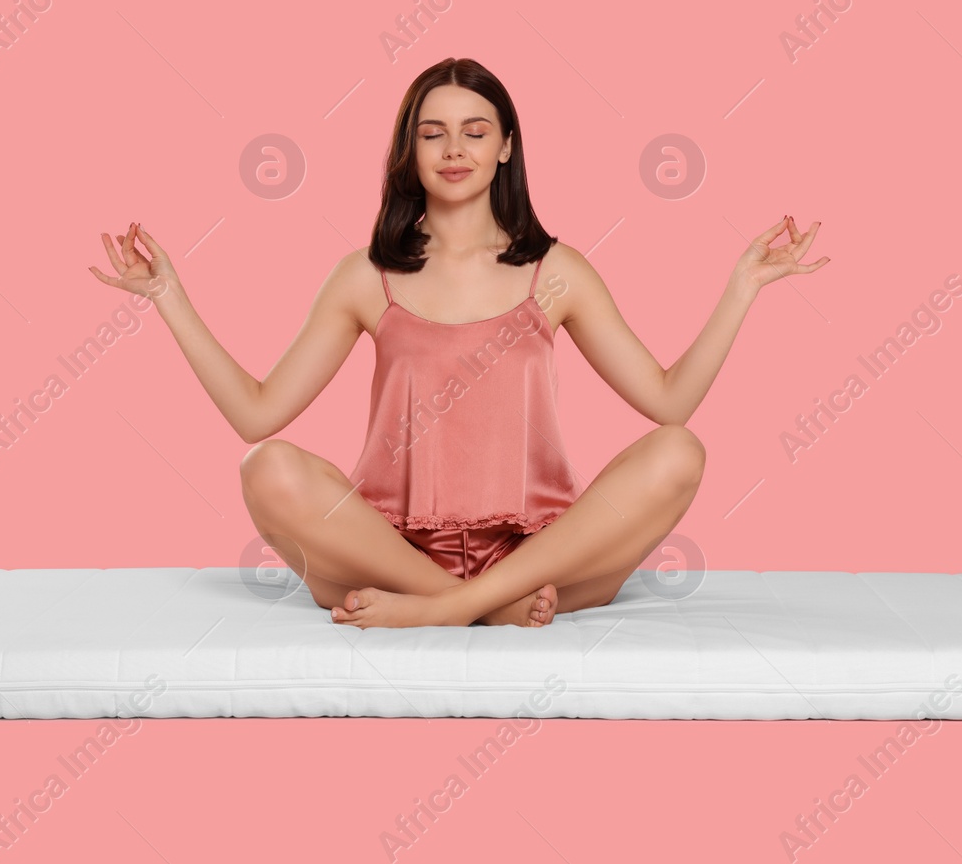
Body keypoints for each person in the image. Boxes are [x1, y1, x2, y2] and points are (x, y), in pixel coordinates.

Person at [89, 57, 829, 629]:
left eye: (475, 131)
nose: (454, 148)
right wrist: (166, 297)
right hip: (390, 554)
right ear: (408, 151)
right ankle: (467, 602)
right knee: (267, 468)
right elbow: (258, 414)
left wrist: (743, 286)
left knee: (679, 449)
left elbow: (670, 398)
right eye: (432, 132)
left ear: (506, 146)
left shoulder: (556, 271)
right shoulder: (365, 276)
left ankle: (446, 609)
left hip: (542, 556)